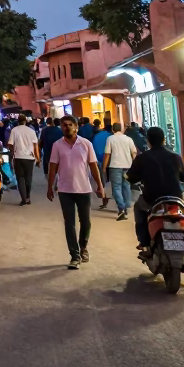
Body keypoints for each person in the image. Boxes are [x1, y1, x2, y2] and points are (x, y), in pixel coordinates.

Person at [47, 114, 105, 269]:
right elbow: (53, 167)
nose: (66, 127)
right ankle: (74, 255)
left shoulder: (86, 144)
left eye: (69, 125)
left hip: (83, 189)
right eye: (64, 125)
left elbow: (93, 166)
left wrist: (100, 186)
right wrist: (50, 187)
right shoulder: (57, 145)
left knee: (85, 222)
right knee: (69, 223)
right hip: (65, 189)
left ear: (76, 127)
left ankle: (83, 246)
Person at [125, 126, 184, 251]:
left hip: (152, 199)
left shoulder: (142, 158)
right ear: (164, 139)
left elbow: (131, 177)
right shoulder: (176, 157)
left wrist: (129, 177)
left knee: (138, 207)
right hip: (176, 197)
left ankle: (144, 242)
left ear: (148, 141)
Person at [103, 123, 137, 220]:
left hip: (115, 166)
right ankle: (126, 206)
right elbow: (134, 153)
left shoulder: (110, 139)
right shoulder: (128, 139)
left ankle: (121, 207)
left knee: (116, 187)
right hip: (127, 166)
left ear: (113, 130)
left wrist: (104, 167)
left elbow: (107, 153)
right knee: (126, 186)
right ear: (121, 129)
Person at [8, 114, 41, 205]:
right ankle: (28, 197)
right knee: (28, 177)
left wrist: (13, 150)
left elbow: (10, 144)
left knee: (20, 178)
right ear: (25, 121)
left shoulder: (14, 130)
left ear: (18, 121)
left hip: (18, 157)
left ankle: (23, 199)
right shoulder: (31, 131)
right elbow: (35, 146)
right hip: (30, 158)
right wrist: (38, 159)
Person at [92, 121, 113, 209]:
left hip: (100, 161)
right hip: (111, 161)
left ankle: (104, 201)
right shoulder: (110, 136)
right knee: (113, 182)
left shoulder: (96, 137)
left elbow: (94, 150)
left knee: (103, 182)